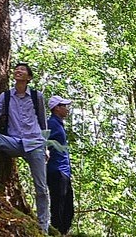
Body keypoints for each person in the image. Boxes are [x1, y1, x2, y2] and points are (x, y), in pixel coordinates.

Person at [0, 62, 49, 233]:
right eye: (17, 69)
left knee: (41, 188)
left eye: (23, 70)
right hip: (15, 142)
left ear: (29, 77)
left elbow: (43, 122)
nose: (18, 71)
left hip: (35, 144)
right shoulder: (6, 96)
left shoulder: (36, 96)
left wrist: (45, 146)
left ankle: (43, 227)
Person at [47, 96, 75, 235]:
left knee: (68, 206)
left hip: (64, 171)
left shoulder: (59, 124)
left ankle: (63, 231)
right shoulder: (51, 123)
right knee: (58, 204)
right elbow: (40, 140)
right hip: (56, 170)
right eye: (64, 106)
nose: (67, 109)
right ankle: (56, 231)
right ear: (57, 108)